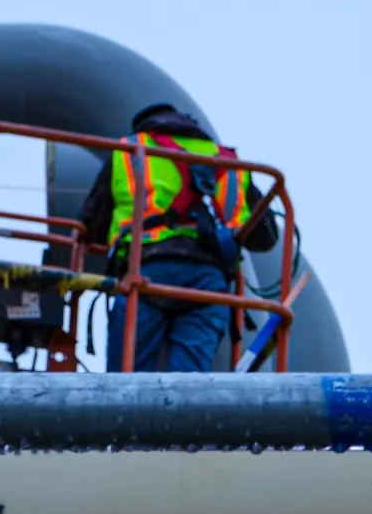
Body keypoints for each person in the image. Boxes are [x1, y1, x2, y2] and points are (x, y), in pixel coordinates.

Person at [79, 103, 280, 372]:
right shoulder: (227, 160)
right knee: (189, 387)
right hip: (210, 283)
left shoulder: (132, 150)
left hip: (147, 270)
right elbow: (266, 238)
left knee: (126, 385)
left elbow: (92, 224)